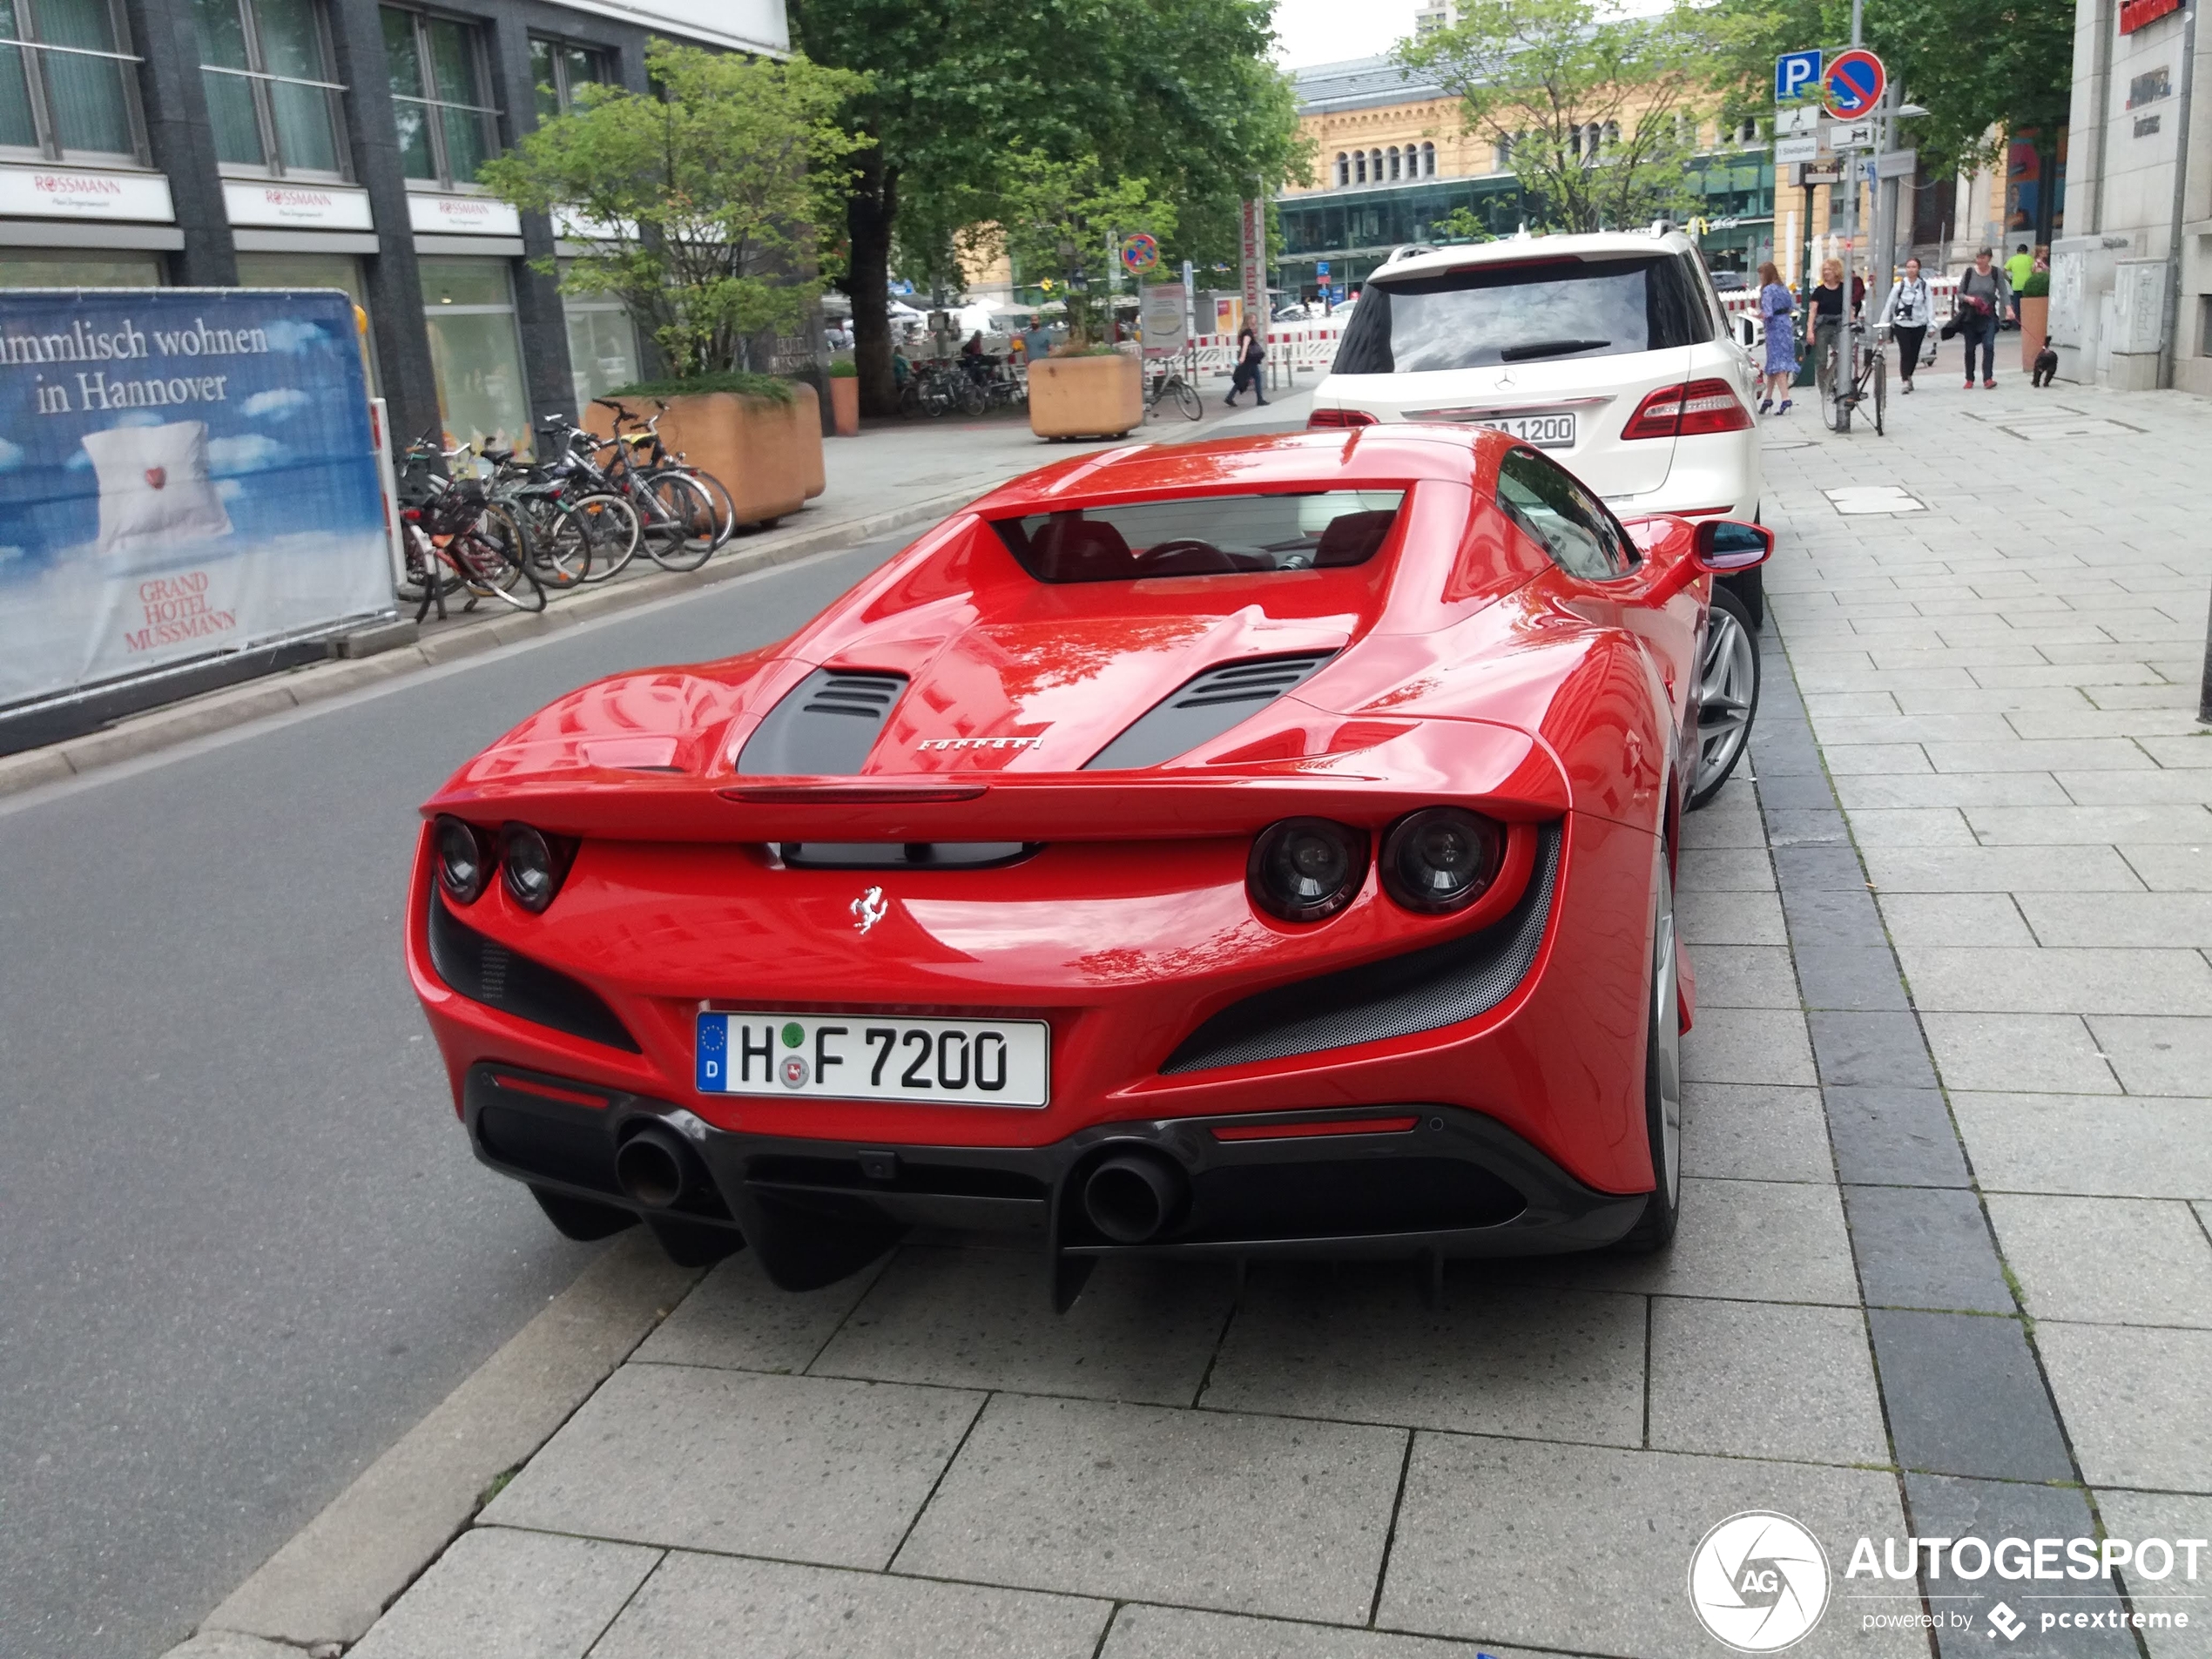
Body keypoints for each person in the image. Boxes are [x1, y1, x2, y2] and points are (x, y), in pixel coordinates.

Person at [1956, 247, 2011, 388]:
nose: (1979, 261)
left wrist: (2009, 309)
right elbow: (1960, 293)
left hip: (1988, 315)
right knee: (1969, 348)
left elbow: (2004, 292)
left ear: (1989, 258)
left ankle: (1988, 378)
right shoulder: (1969, 273)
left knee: (1989, 345)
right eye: (1978, 258)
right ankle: (1969, 378)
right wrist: (1969, 299)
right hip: (1971, 316)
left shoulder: (1995, 272)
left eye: (1983, 258)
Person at [1878, 255, 1934, 395]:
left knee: (1914, 353)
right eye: (1908, 267)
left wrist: (1932, 324)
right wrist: (1883, 323)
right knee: (1906, 352)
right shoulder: (1899, 286)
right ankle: (1905, 380)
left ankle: (1909, 376)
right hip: (1902, 324)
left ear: (1918, 269)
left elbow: (1929, 305)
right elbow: (1890, 305)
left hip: (1919, 323)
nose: (1911, 270)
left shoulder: (1924, 286)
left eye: (1914, 267)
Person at [1755, 260, 1798, 415]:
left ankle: (1785, 398)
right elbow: (1792, 306)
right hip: (1785, 325)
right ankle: (1768, 398)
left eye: (1761, 275)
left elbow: (1768, 312)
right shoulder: (1783, 288)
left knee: (1777, 364)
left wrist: (1754, 314)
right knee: (1774, 363)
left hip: (1773, 329)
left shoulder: (1768, 290)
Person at [1810, 257, 1848, 395]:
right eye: (1824, 269)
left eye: (1829, 269)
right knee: (1821, 360)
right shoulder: (1819, 291)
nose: (1826, 272)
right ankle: (1824, 388)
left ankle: (1834, 381)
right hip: (1823, 327)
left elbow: (1849, 309)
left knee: (1841, 355)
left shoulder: (1844, 289)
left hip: (1839, 326)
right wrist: (1810, 331)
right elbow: (1813, 311)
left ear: (1836, 271)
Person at [1224, 323, 1268, 408]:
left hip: (1249, 360)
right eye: (1253, 322)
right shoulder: (1248, 333)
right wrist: (1242, 357)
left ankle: (1230, 397)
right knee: (1255, 378)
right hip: (1249, 360)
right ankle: (1259, 399)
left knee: (1243, 379)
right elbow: (1245, 346)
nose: (1255, 325)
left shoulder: (1244, 332)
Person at [2005, 242, 2034, 326]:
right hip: (2028, 286)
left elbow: (2003, 271)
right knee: (2027, 306)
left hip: (2016, 285)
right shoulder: (2030, 259)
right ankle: (2027, 323)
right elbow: (2034, 269)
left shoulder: (2012, 259)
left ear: (2017, 251)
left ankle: (2017, 324)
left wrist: (2009, 279)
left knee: (2017, 306)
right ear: (2026, 251)